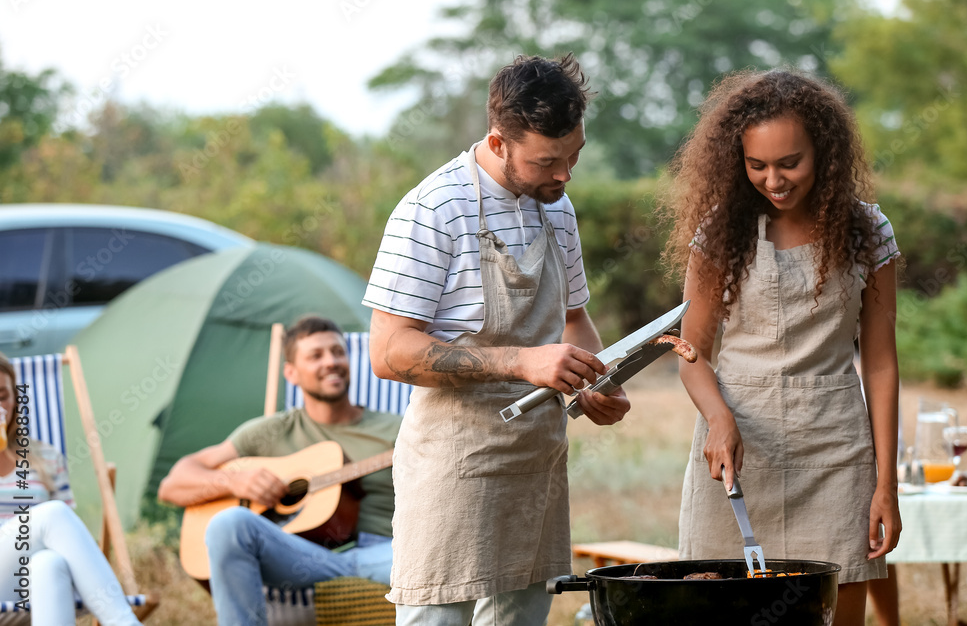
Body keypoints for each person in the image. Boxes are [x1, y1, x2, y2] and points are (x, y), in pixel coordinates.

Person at [364, 53, 631, 626]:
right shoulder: (434, 208)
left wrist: (594, 380)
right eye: (547, 161)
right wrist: (522, 361)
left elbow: (575, 319)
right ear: (498, 140)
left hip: (535, 462)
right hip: (451, 465)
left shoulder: (556, 209)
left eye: (574, 156)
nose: (564, 174)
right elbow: (388, 352)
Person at [663, 68, 902, 626]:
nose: (773, 179)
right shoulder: (720, 232)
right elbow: (689, 350)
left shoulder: (868, 231)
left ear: (824, 152)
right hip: (737, 453)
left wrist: (885, 485)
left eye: (790, 162)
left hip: (836, 450)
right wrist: (718, 416)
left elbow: (882, 364)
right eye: (757, 165)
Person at [157, 316, 401, 626]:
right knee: (228, 523)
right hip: (304, 557)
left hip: (385, 552)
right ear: (291, 373)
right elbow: (173, 484)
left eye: (338, 352)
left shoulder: (402, 429)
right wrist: (233, 481)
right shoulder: (269, 432)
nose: (331, 362)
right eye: (316, 355)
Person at [0, 352, 142, 625]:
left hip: (26, 587)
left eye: (2, 395)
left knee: (49, 564)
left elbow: (66, 534)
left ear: (16, 400)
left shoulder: (45, 456)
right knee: (51, 513)